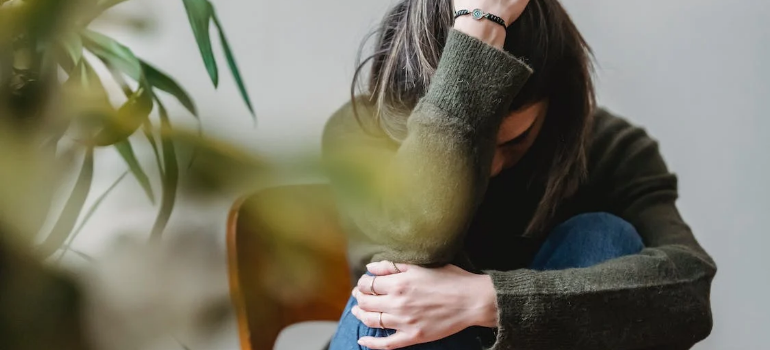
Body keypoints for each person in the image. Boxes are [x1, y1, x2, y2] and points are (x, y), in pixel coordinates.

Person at [321, 0, 716, 349]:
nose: (491, 165)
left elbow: (688, 288)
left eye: (515, 140)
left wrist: (490, 301)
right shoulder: (360, 132)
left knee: (603, 235)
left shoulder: (606, 147)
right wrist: (479, 32)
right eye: (481, 145)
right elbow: (412, 247)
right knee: (393, 297)